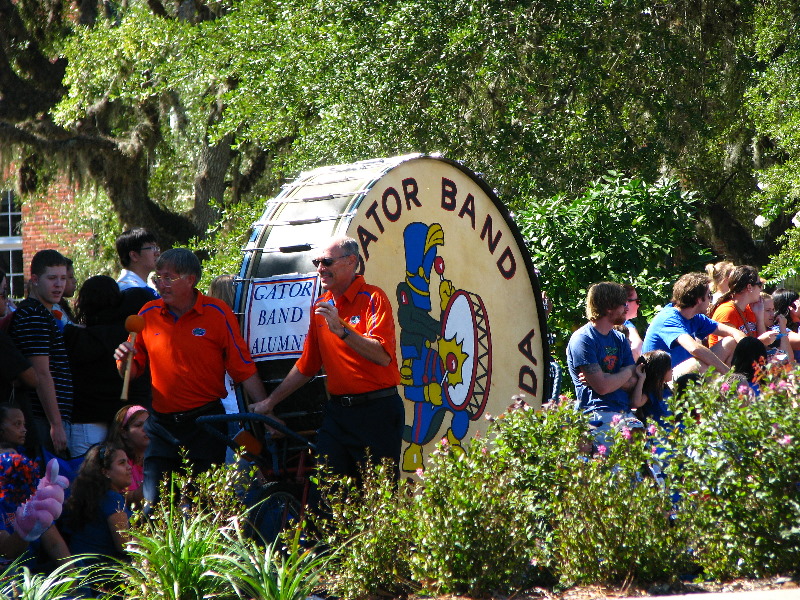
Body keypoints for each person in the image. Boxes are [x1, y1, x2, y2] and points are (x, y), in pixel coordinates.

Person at [113, 249, 268, 506]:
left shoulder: (216, 313)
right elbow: (130, 372)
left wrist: (266, 413)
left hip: (205, 423)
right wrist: (124, 360)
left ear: (191, 279)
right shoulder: (147, 314)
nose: (161, 284)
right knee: (155, 505)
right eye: (158, 277)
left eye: (169, 278)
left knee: (204, 505)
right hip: (161, 425)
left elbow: (242, 367)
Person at [250, 237, 404, 479]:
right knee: (325, 490)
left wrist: (342, 331)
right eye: (317, 262)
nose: (320, 268)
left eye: (327, 261)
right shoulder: (321, 305)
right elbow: (307, 366)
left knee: (377, 494)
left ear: (351, 261)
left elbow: (383, 356)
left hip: (377, 412)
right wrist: (270, 402)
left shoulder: (373, 298)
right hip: (338, 413)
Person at [63, 276, 151, 457]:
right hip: (125, 419)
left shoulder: (76, 338)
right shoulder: (130, 334)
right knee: (127, 478)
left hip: (88, 417)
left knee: (88, 476)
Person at [8, 249, 73, 457]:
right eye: (52, 278)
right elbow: (41, 373)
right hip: (40, 418)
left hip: (49, 417)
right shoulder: (33, 315)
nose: (59, 285)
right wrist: (56, 424)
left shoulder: (44, 313)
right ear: (34, 279)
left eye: (63, 278)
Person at [566, 282, 640, 445]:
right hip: (598, 414)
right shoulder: (583, 340)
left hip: (625, 412)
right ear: (608, 308)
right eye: (623, 304)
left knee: (650, 463)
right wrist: (627, 371)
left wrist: (609, 377)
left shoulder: (619, 338)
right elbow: (602, 387)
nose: (627, 308)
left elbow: (633, 382)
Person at [0, 405, 70, 567]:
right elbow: (5, 552)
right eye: (17, 424)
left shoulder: (30, 494)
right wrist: (28, 531)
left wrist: (74, 579)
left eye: (21, 463)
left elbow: (55, 544)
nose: (24, 430)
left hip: (36, 575)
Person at [642, 272, 746, 379]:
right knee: (696, 364)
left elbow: (734, 332)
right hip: (662, 380)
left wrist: (748, 349)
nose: (711, 301)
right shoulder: (668, 318)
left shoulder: (695, 317)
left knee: (730, 342)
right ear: (699, 300)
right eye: (709, 296)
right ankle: (725, 387)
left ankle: (728, 386)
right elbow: (694, 348)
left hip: (685, 372)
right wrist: (727, 372)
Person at [63, 443, 131, 562]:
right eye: (122, 463)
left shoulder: (94, 496)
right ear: (105, 472)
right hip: (104, 574)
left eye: (127, 462)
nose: (129, 467)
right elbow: (125, 546)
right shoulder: (112, 498)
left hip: (83, 570)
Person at [707, 265, 775, 347]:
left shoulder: (750, 308)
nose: (761, 289)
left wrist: (759, 317)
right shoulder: (727, 311)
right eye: (759, 285)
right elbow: (727, 349)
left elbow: (763, 348)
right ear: (749, 287)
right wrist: (760, 341)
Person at [106, 405, 149, 507]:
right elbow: (122, 499)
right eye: (139, 425)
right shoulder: (119, 461)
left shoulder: (155, 459)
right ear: (124, 432)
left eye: (149, 424)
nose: (146, 428)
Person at [629, 350, 673, 428]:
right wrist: (641, 378)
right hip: (659, 433)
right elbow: (636, 403)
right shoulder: (651, 391)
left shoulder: (667, 389)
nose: (672, 370)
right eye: (669, 368)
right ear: (660, 372)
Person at [115, 228, 160, 297]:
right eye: (152, 248)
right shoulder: (130, 289)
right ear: (134, 256)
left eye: (157, 248)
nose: (157, 253)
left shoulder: (141, 287)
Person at [622, 284, 643, 360]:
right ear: (626, 303)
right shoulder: (627, 326)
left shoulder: (602, 323)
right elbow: (639, 349)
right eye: (637, 301)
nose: (638, 305)